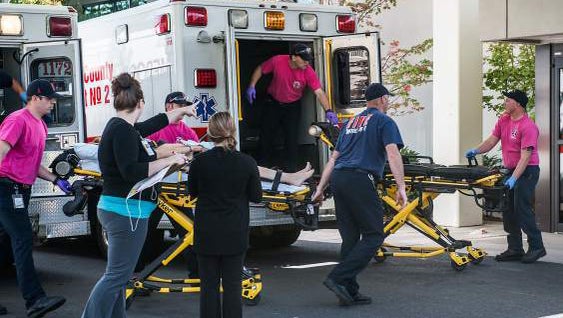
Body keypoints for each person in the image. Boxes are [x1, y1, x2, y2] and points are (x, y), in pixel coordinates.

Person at [81, 73, 194, 318]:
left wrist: (181, 111)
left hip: (124, 210)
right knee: (117, 276)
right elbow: (131, 171)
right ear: (140, 103)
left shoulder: (124, 128)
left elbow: (153, 124)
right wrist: (169, 159)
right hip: (124, 212)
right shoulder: (123, 131)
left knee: (119, 277)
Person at [312, 83, 408, 306]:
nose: (389, 102)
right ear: (382, 99)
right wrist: (401, 187)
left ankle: (348, 290)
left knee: (351, 238)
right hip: (359, 178)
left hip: (339, 179)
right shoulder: (384, 121)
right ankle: (338, 278)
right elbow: (392, 154)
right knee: (374, 235)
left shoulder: (350, 123)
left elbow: (334, 159)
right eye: (388, 99)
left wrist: (320, 188)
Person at [0, 79, 71, 318]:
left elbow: (32, 163)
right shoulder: (17, 120)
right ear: (36, 98)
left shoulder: (40, 125)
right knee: (22, 239)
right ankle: (35, 299)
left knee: (4, 245)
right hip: (6, 188)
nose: (53, 103)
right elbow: (1, 150)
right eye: (50, 99)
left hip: (22, 189)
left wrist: (55, 180)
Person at [188, 112, 262, 318]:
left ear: (210, 133)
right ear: (232, 131)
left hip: (206, 232)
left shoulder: (199, 162)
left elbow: (192, 192)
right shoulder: (247, 162)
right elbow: (256, 196)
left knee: (209, 288)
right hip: (235, 232)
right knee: (232, 288)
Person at [465, 89, 546, 264]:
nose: (505, 103)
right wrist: (476, 150)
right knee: (508, 209)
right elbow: (491, 141)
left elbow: (525, 158)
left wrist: (514, 179)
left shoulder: (528, 126)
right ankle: (515, 249)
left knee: (521, 208)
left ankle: (537, 247)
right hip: (510, 170)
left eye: (507, 100)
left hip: (527, 171)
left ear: (517, 104)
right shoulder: (504, 120)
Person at [246, 43, 337, 172]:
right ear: (294, 57)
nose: (307, 62)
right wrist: (252, 85)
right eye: (304, 59)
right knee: (266, 135)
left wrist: (328, 110)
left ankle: (291, 171)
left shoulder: (308, 71)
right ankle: (261, 169)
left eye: (308, 59)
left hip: (292, 106)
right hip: (273, 103)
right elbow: (261, 69)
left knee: (291, 138)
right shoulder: (278, 61)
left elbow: (319, 92)